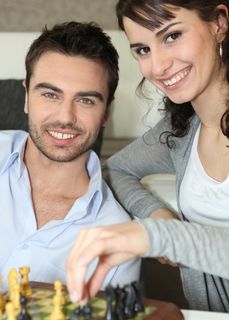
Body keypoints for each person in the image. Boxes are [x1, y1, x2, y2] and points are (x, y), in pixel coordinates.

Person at [66, 1, 229, 312]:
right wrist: (157, 214)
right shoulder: (179, 131)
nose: (158, 66)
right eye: (142, 49)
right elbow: (116, 170)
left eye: (172, 36)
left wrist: (161, 235)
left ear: (219, 23)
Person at [0, 21, 141, 292]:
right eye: (51, 94)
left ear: (106, 113)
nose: (65, 117)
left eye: (85, 100)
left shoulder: (116, 236)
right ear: (27, 96)